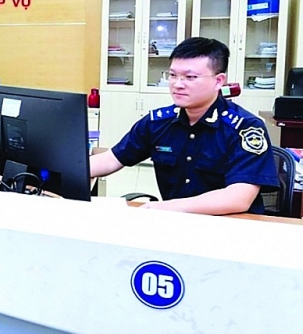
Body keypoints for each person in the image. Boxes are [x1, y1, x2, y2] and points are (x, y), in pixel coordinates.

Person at [90, 37, 278, 215]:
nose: (177, 84)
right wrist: (67, 169)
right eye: (172, 75)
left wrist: (166, 207)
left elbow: (239, 197)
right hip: (177, 222)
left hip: (231, 226)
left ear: (218, 81)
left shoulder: (244, 127)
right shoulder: (158, 122)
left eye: (190, 77)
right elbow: (111, 159)